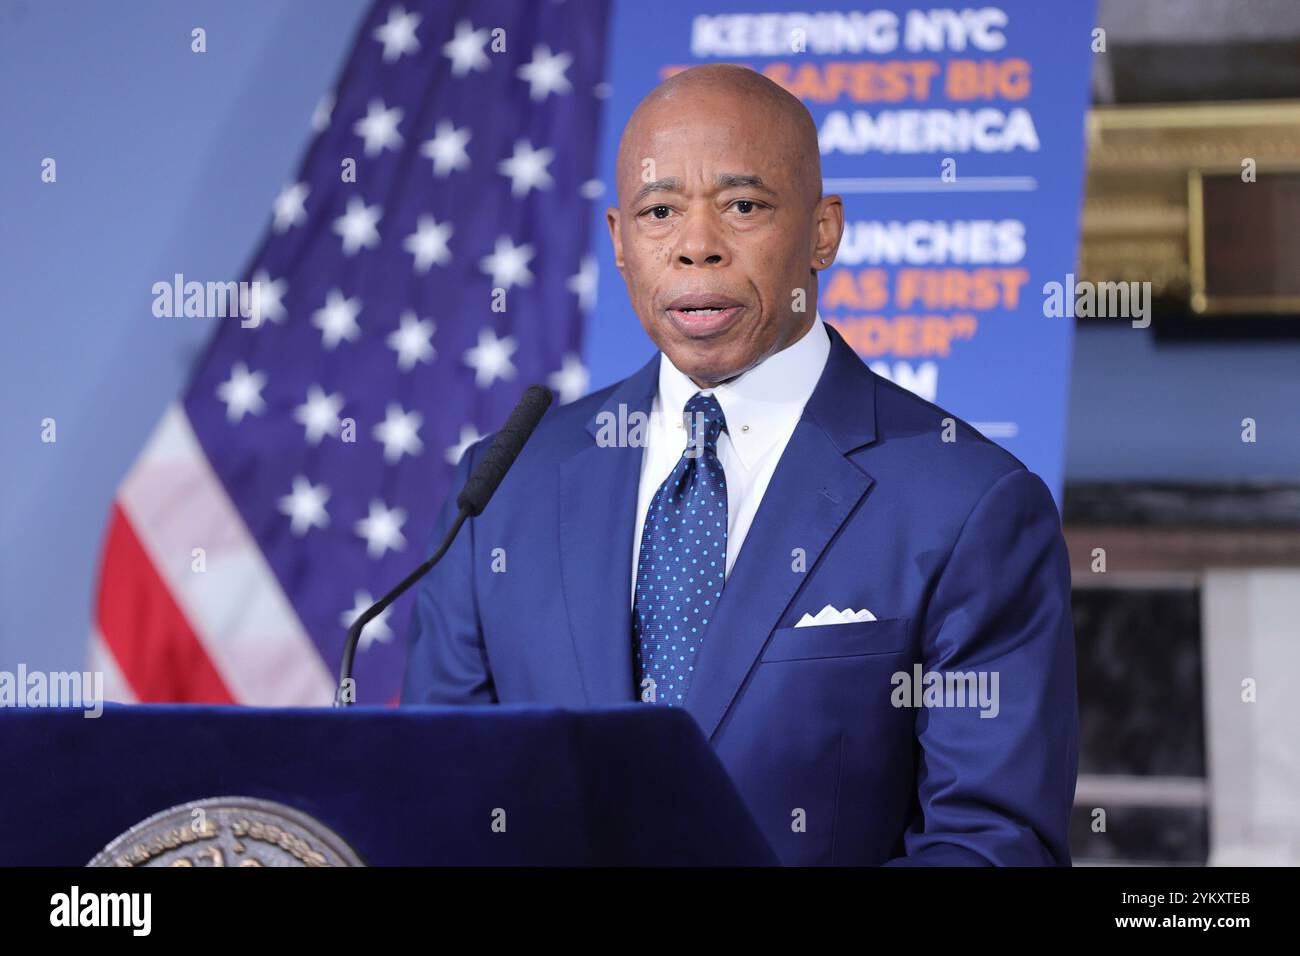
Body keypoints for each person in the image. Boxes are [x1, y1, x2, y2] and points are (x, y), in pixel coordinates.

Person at [403, 64, 1078, 866]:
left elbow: (991, 848)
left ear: (823, 231)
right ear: (619, 241)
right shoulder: (503, 490)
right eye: (660, 213)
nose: (696, 248)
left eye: (744, 206)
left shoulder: (969, 504)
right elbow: (437, 809)